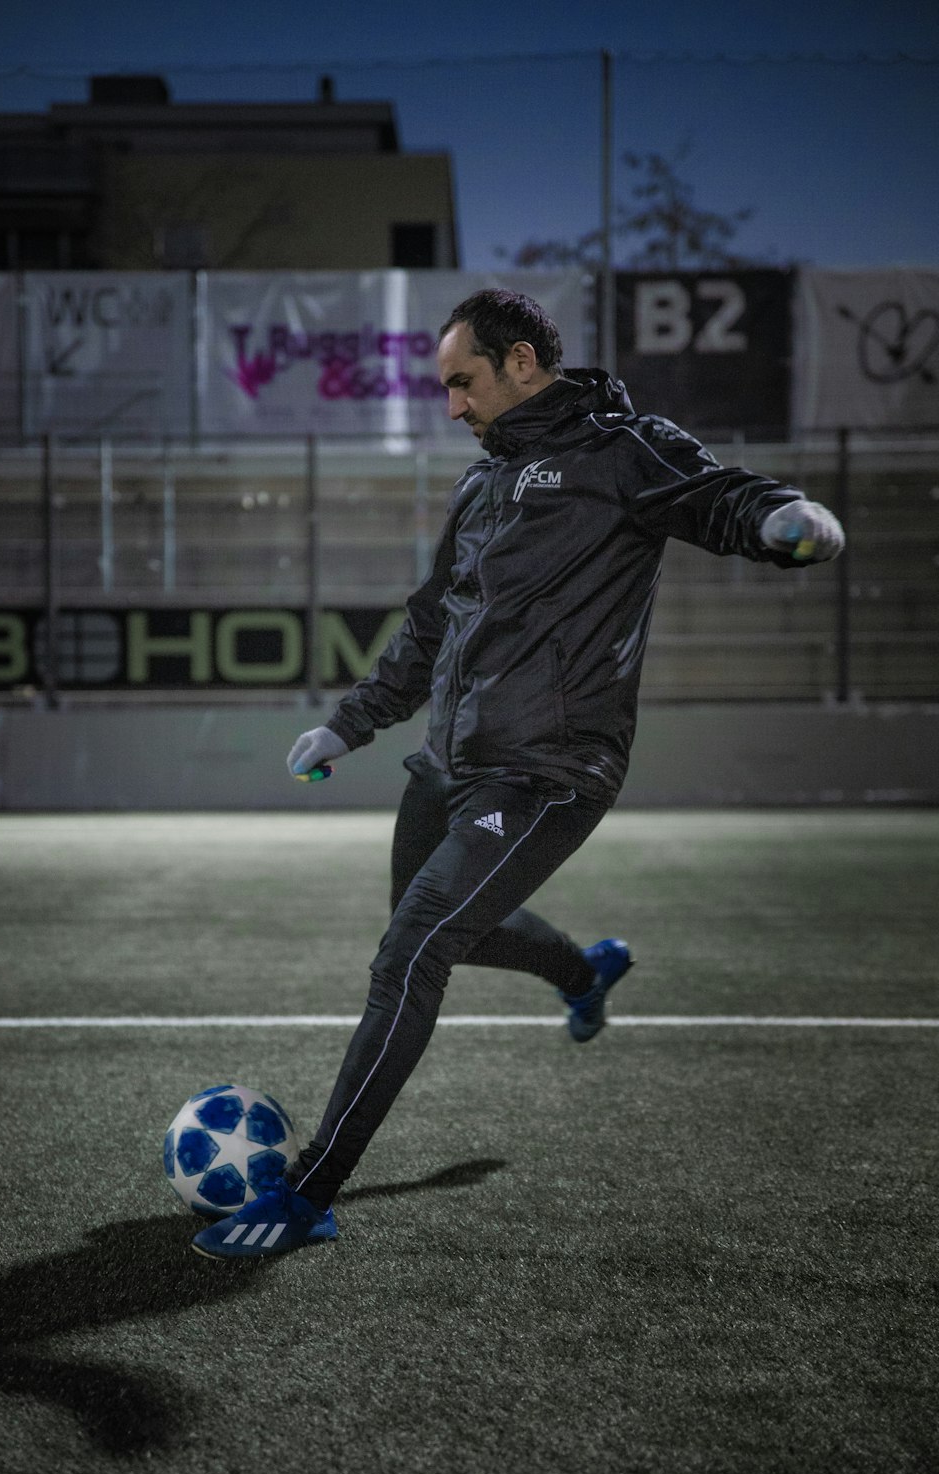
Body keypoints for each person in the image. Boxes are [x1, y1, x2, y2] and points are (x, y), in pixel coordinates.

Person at [192, 288, 845, 1262]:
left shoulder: (622, 449)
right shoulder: (481, 484)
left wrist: (790, 518)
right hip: (448, 766)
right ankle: (585, 973)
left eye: (464, 382)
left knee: (410, 953)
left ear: (524, 363)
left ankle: (309, 1192)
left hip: (549, 771)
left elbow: (720, 497)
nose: (451, 406)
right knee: (449, 928)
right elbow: (428, 623)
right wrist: (349, 724)